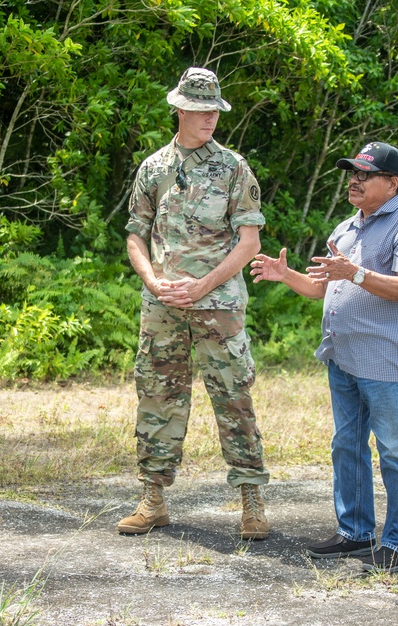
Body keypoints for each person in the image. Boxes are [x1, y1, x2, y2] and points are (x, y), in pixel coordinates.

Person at [250, 142, 398, 573]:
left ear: (392, 183)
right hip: (343, 356)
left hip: (384, 361)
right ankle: (355, 533)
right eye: (352, 172)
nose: (354, 179)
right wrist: (287, 276)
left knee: (395, 452)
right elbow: (324, 287)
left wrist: (352, 272)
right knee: (347, 446)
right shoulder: (347, 227)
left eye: (365, 174)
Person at [118, 67, 271, 540]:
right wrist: (153, 281)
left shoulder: (233, 168)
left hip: (218, 305)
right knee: (158, 396)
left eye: (216, 111)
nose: (210, 119)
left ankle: (251, 499)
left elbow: (248, 243)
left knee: (233, 395)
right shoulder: (154, 168)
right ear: (180, 109)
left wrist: (201, 286)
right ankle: (153, 498)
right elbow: (135, 237)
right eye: (202, 110)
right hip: (163, 305)